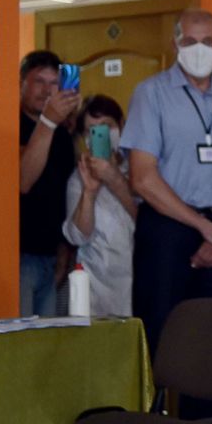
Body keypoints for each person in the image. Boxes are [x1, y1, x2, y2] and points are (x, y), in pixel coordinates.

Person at [121, 9, 212, 361]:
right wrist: (203, 228)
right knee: (162, 336)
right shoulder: (150, 94)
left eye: (207, 42)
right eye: (190, 42)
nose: (199, 48)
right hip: (169, 230)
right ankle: (161, 415)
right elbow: (143, 177)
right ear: (175, 44)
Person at [62, 95, 137, 317]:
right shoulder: (79, 178)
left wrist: (114, 179)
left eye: (107, 127)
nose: (100, 135)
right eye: (91, 130)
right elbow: (78, 236)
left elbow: (149, 224)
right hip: (97, 283)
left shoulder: (140, 172)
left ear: (121, 126)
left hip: (138, 277)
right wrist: (90, 192)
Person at [19, 50, 80, 317]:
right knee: (18, 341)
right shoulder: (11, 125)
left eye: (54, 83)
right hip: (20, 254)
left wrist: (65, 253)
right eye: (39, 82)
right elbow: (23, 181)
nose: (47, 90)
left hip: (54, 255)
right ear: (22, 83)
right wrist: (48, 121)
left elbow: (66, 195)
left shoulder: (64, 136)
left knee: (46, 344)